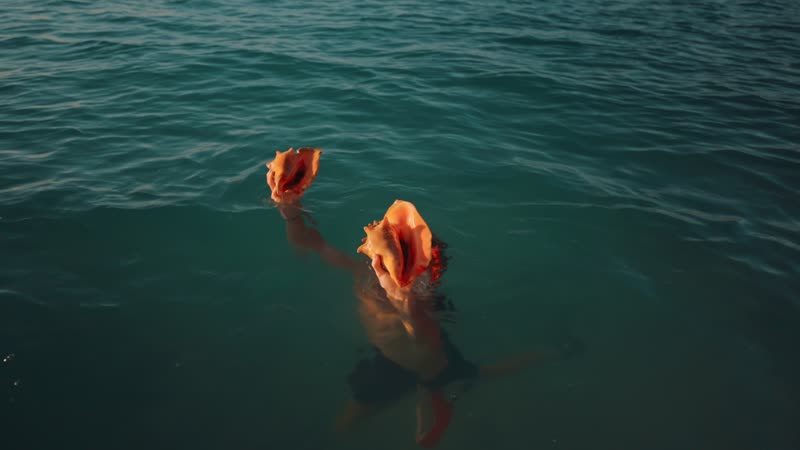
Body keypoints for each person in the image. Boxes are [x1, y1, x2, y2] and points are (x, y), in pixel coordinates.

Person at [266, 148, 576, 447]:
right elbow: (313, 246)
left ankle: (550, 352)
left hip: (410, 365)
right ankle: (445, 391)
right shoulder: (367, 274)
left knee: (347, 424)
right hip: (394, 354)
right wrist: (290, 210)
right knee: (477, 373)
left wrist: (401, 299)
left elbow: (421, 333)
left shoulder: (415, 303)